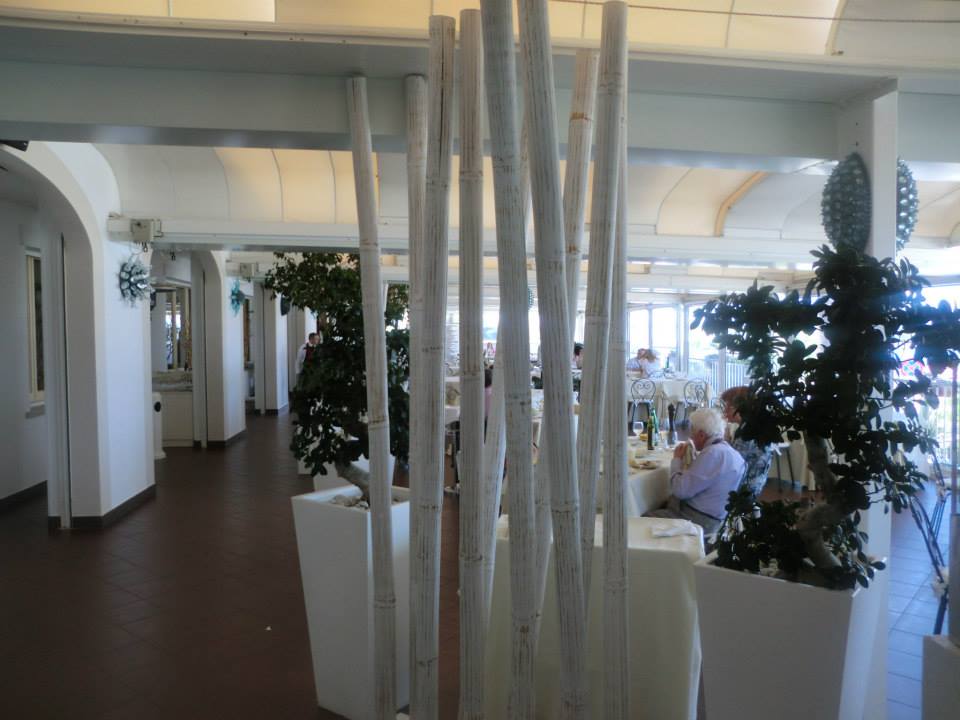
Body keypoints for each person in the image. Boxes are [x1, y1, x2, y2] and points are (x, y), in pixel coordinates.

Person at [645, 407, 745, 536]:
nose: (690, 437)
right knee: (662, 504)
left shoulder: (712, 454)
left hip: (697, 521)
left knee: (642, 518)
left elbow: (680, 491)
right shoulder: (734, 454)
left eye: (692, 432)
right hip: (717, 520)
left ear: (702, 435)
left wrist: (677, 460)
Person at [720, 385, 773, 496]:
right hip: (754, 484)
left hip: (742, 490)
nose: (724, 410)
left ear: (740, 407)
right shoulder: (752, 427)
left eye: (728, 406)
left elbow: (730, 464)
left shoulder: (747, 434)